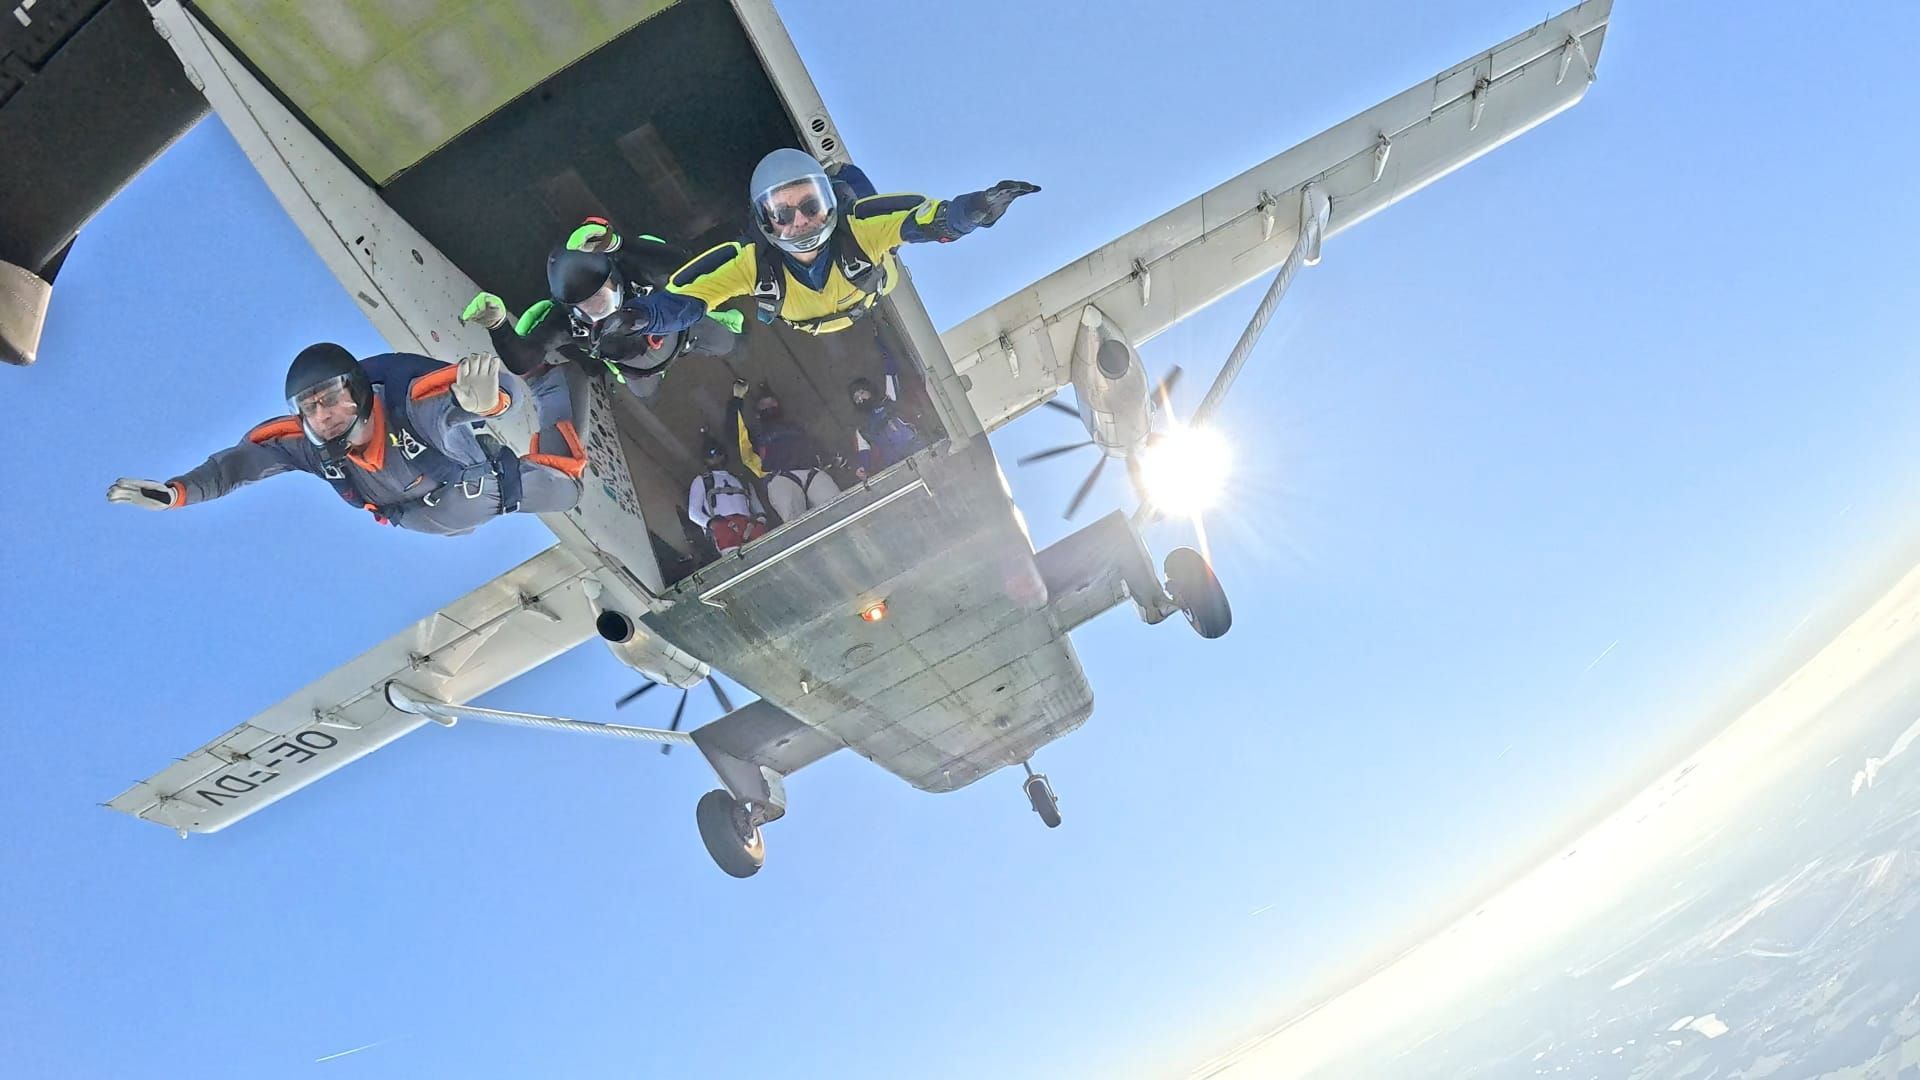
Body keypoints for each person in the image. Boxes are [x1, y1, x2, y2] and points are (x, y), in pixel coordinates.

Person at [106, 345, 583, 536]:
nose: (324, 415)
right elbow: (236, 465)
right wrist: (177, 493)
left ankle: (554, 384)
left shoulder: (410, 403)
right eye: (310, 407)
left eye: (331, 399)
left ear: (357, 391)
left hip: (479, 489)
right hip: (417, 517)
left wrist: (489, 400)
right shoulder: (306, 444)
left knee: (567, 488)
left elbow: (474, 393)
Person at [615, 149, 1039, 337]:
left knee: (864, 197)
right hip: (834, 313)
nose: (799, 222)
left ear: (828, 202)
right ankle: (839, 176)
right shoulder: (748, 264)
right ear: (764, 222)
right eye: (781, 214)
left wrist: (976, 210)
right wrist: (638, 318)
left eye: (810, 205)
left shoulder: (860, 227)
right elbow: (685, 298)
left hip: (861, 295)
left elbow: (926, 219)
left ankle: (842, 177)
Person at [461, 222, 742, 400]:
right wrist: (497, 326)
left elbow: (682, 264)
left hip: (683, 331)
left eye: (603, 294)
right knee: (647, 393)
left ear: (616, 276)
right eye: (587, 305)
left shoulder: (635, 269)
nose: (600, 308)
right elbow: (523, 360)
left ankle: (717, 320)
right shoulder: (565, 322)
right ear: (570, 308)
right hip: (638, 367)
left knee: (729, 343)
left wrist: (620, 244)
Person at [726, 378, 841, 523]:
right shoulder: (755, 433)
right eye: (764, 403)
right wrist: (737, 398)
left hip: (812, 471)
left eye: (771, 402)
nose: (769, 405)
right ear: (758, 411)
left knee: (840, 508)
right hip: (779, 477)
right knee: (798, 524)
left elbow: (815, 445)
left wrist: (831, 458)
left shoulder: (795, 426)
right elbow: (734, 432)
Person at [848, 346, 919, 479]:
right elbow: (864, 456)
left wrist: (880, 342)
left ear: (869, 390)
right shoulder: (862, 428)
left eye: (862, 393)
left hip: (918, 448)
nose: (860, 399)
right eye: (856, 398)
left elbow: (890, 371)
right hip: (896, 467)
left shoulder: (889, 399)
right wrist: (862, 469)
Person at [686, 437, 767, 553]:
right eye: (711, 456)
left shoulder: (742, 480)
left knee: (765, 554)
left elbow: (758, 508)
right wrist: (712, 524)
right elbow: (693, 512)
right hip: (725, 529)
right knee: (734, 561)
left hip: (749, 525)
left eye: (718, 454)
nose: (715, 458)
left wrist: (759, 523)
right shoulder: (702, 481)